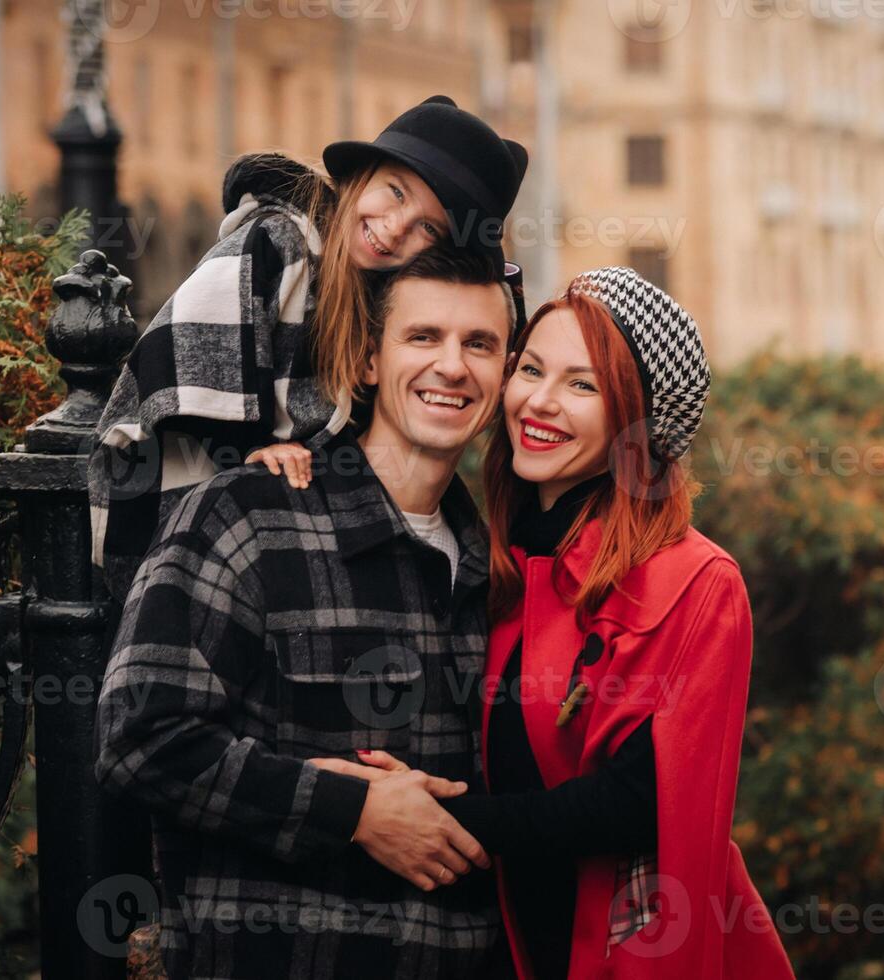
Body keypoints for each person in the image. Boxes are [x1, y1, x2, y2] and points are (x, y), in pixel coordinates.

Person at [313, 268, 796, 978]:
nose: (539, 402)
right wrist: (299, 450)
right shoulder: (494, 561)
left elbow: (638, 801)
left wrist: (424, 817)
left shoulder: (694, 580)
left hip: (633, 951)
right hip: (508, 945)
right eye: (531, 369)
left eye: (583, 385)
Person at [94, 247, 521, 979]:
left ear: (505, 375)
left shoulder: (500, 571)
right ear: (367, 362)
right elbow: (141, 737)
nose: (453, 366)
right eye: (424, 337)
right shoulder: (247, 517)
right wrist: (353, 811)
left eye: (479, 344)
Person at [88, 95, 528, 599]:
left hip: (258, 532)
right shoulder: (280, 238)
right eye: (397, 193)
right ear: (363, 174)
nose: (396, 226)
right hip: (166, 500)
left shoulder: (368, 292)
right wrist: (250, 447)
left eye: (429, 227)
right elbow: (184, 353)